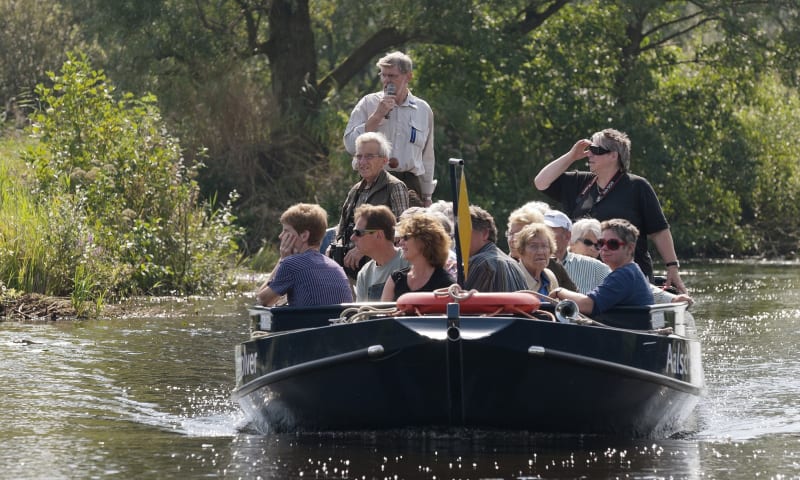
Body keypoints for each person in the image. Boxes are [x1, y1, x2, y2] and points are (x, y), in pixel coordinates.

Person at [534, 128, 687, 293]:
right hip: (583, 276)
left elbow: (659, 231)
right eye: (589, 149)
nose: (589, 154)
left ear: (614, 155)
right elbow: (541, 182)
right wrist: (571, 156)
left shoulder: (637, 186)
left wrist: (672, 267)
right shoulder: (580, 182)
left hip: (627, 277)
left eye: (595, 150)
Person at [343, 51, 436, 205]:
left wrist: (427, 196)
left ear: (408, 77)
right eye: (383, 75)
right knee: (372, 229)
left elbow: (427, 156)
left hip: (410, 186)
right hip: (374, 181)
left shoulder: (422, 109)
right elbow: (350, 145)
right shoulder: (368, 103)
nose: (386, 80)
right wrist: (377, 116)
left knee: (409, 229)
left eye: (392, 76)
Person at [331, 131, 409, 278]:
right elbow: (341, 228)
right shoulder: (355, 190)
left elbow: (402, 231)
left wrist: (362, 250)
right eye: (359, 156)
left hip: (381, 271)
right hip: (350, 270)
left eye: (369, 156)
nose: (362, 161)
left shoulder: (394, 187)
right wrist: (334, 247)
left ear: (384, 160)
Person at [551, 219, 654, 316]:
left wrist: (559, 291)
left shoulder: (624, 275)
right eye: (601, 243)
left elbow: (588, 305)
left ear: (630, 248)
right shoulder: (632, 271)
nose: (604, 248)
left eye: (612, 244)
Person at [257, 203, 353, 307]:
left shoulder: (290, 264)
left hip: (310, 323)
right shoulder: (336, 266)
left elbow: (262, 301)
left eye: (286, 231)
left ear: (304, 236)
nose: (281, 236)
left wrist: (282, 260)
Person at [381, 213, 455, 300]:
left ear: (424, 240)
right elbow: (383, 312)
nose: (400, 243)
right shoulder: (396, 279)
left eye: (406, 237)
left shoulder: (445, 283)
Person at [506, 202, 577, 291]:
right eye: (511, 234)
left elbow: (572, 299)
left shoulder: (552, 269)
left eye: (520, 234)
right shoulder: (503, 270)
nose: (513, 239)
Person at [544, 209, 610, 295]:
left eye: (598, 245)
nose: (593, 249)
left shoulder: (598, 268)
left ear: (568, 237)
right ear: (572, 241)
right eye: (588, 243)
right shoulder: (528, 263)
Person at [463, 205, 528, 292]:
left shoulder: (480, 263)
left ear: (485, 233)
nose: (458, 238)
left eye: (464, 232)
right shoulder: (515, 264)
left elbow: (463, 303)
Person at [351, 204, 409, 301]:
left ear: (378, 235)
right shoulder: (365, 273)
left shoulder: (409, 261)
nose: (352, 237)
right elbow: (362, 314)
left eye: (358, 233)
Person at [514, 223, 560, 297]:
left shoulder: (550, 276)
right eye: (533, 246)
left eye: (544, 246)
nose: (540, 252)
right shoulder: (514, 278)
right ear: (521, 250)